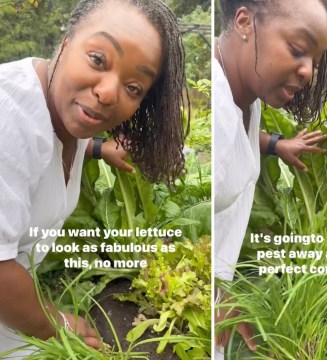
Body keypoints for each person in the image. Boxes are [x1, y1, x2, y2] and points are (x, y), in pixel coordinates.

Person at [0, 0, 188, 355]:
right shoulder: (6, 119)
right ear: (66, 43)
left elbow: (43, 145)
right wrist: (55, 325)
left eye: (134, 88)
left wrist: (98, 149)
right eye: (98, 60)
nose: (107, 93)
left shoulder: (65, 110)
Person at [213, 0, 327, 356]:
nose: (309, 72)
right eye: (298, 50)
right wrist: (212, 291)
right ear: (244, 21)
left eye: (314, 60)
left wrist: (275, 144)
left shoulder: (247, 99)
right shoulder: (216, 107)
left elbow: (240, 135)